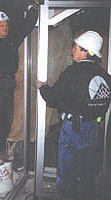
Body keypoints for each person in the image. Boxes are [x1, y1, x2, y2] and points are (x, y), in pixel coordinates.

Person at [37, 31, 111, 200]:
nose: (72, 51)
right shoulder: (105, 77)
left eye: (75, 47)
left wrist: (42, 87)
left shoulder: (72, 73)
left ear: (84, 51)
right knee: (87, 174)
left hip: (73, 130)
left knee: (67, 176)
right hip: (93, 128)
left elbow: (53, 98)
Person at [0, 6, 38, 165]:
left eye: (6, 25)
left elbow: (26, 26)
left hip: (9, 84)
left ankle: (2, 150)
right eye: (2, 25)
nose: (5, 28)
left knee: (7, 119)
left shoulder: (11, 40)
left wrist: (35, 9)